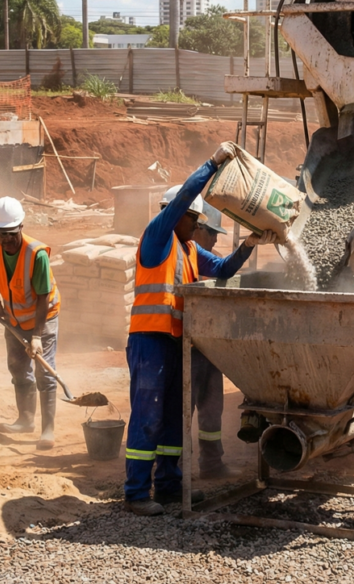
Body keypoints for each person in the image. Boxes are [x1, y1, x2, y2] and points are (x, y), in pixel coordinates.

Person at [123, 142, 278, 517]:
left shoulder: (191, 249)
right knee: (149, 414)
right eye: (194, 219)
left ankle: (171, 485)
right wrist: (211, 164)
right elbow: (183, 200)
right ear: (176, 216)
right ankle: (135, 492)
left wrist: (250, 244)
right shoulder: (158, 236)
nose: (197, 226)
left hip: (175, 343)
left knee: (176, 417)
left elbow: (224, 270)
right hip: (150, 341)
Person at [0, 196, 61, 450]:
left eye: (12, 233)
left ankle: (47, 429)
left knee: (44, 370)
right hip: (13, 318)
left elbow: (42, 297)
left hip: (43, 318)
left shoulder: (36, 254)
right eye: (2, 234)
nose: (7, 240)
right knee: (17, 367)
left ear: (21, 228)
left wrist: (37, 336)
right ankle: (26, 419)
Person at [189, 202, 237, 480]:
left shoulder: (214, 259)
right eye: (212, 233)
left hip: (211, 349)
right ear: (197, 229)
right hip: (186, 347)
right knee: (182, 412)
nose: (216, 239)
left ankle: (211, 464)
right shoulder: (179, 259)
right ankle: (177, 471)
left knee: (211, 410)